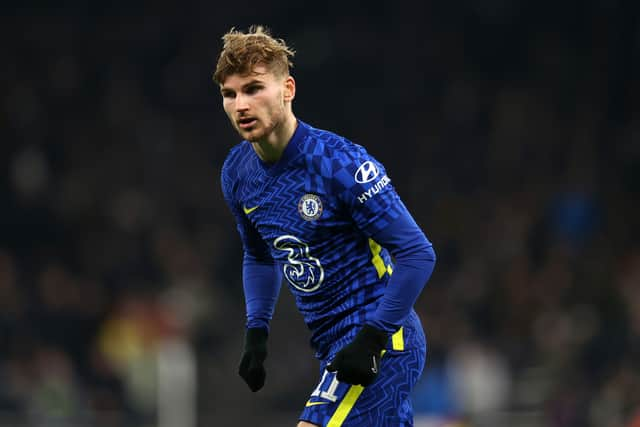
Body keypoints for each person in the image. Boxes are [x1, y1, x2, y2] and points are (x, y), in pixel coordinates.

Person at [214, 25, 436, 427]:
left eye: (253, 88)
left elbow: (418, 253)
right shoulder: (237, 173)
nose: (240, 104)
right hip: (331, 342)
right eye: (230, 94)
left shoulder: (341, 164)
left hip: (383, 337)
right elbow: (259, 255)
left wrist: (373, 336)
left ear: (288, 89)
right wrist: (256, 332)